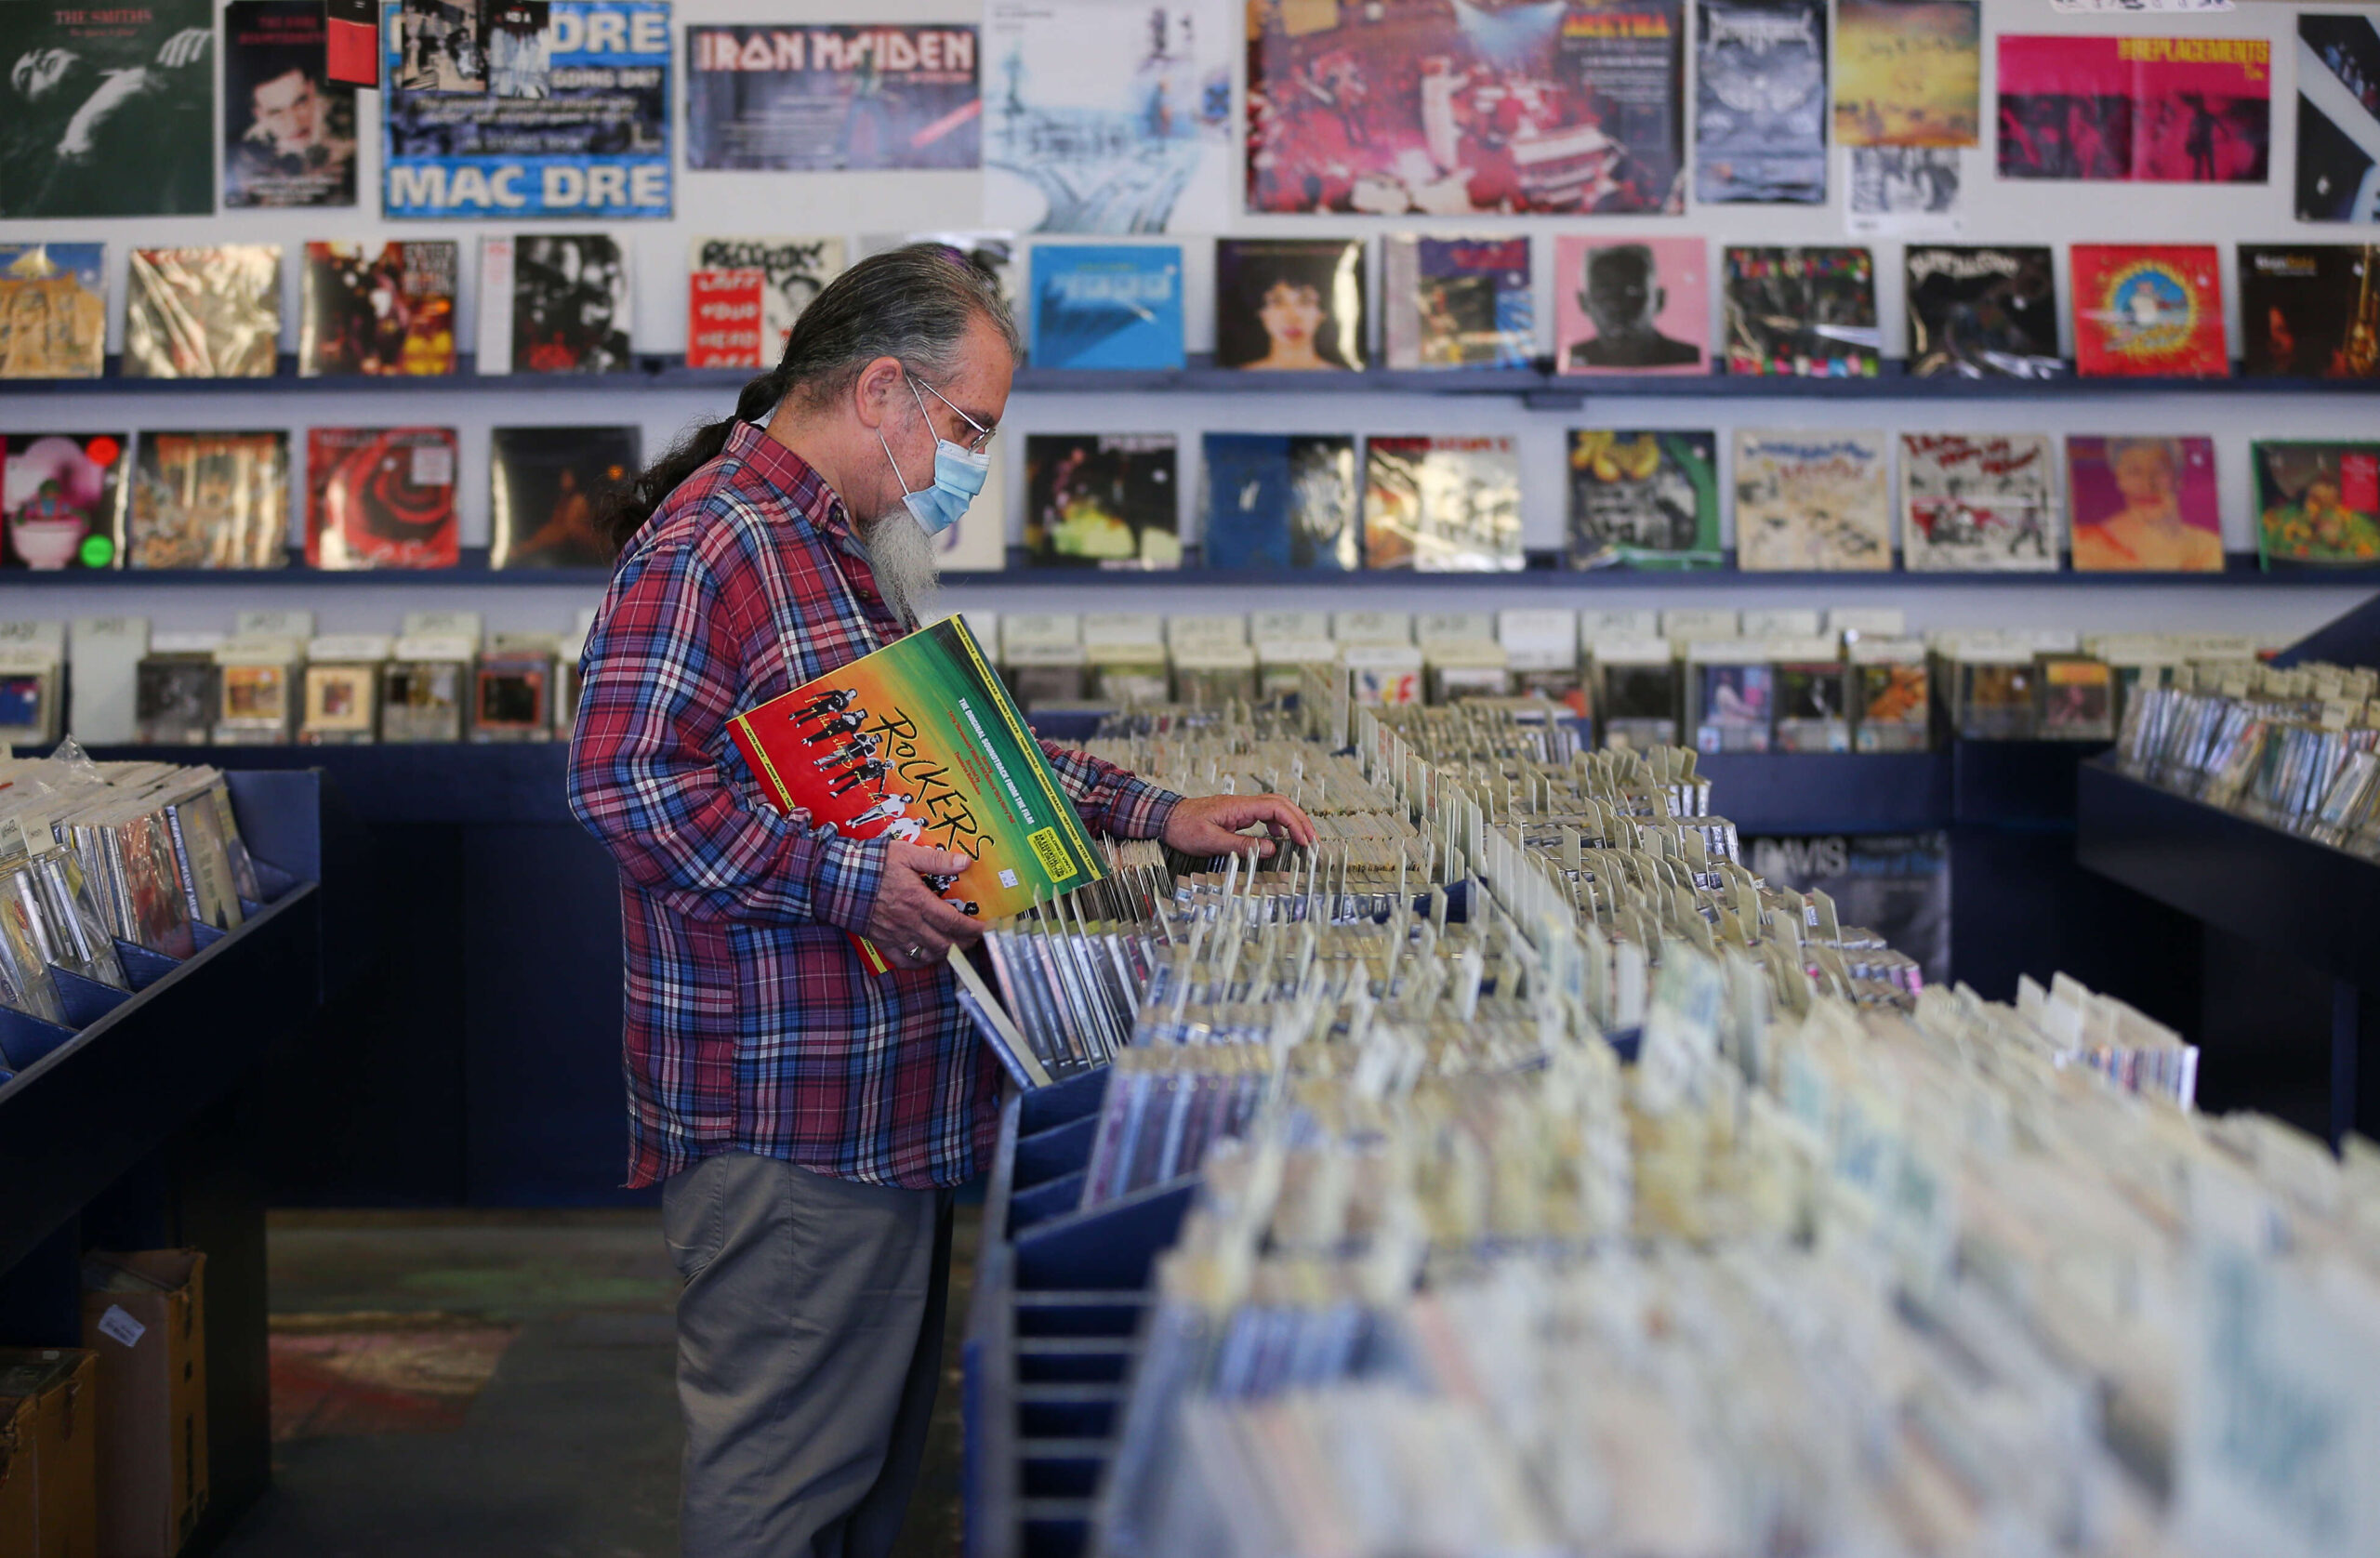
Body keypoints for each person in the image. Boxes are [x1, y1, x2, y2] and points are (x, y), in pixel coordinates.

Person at [565, 245, 1316, 1558]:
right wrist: (842, 877)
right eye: (967, 426)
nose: (970, 458)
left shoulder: (854, 547)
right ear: (880, 391)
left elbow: (969, 760)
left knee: (860, 1470)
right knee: (781, 1477)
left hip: (886, 1097)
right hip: (787, 1111)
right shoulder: (713, 545)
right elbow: (623, 783)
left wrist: (1156, 813)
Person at [4, 24, 211, 216]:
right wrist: (83, 129)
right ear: (37, 114)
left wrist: (219, 47)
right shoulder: (67, 162)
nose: (39, 59)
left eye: (40, 52)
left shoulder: (164, 60)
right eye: (26, 77)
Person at [2073, 439, 2222, 572]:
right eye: (2134, 472)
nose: (2147, 485)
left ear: (2178, 478)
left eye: (2159, 471)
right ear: (2119, 479)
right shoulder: (2088, 544)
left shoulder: (2210, 547)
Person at [1568, 244, 1700, 369]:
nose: (1617, 307)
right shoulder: (1570, 357)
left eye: (1633, 293)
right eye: (1605, 294)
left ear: (1659, 299)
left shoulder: (1691, 358)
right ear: (1583, 302)